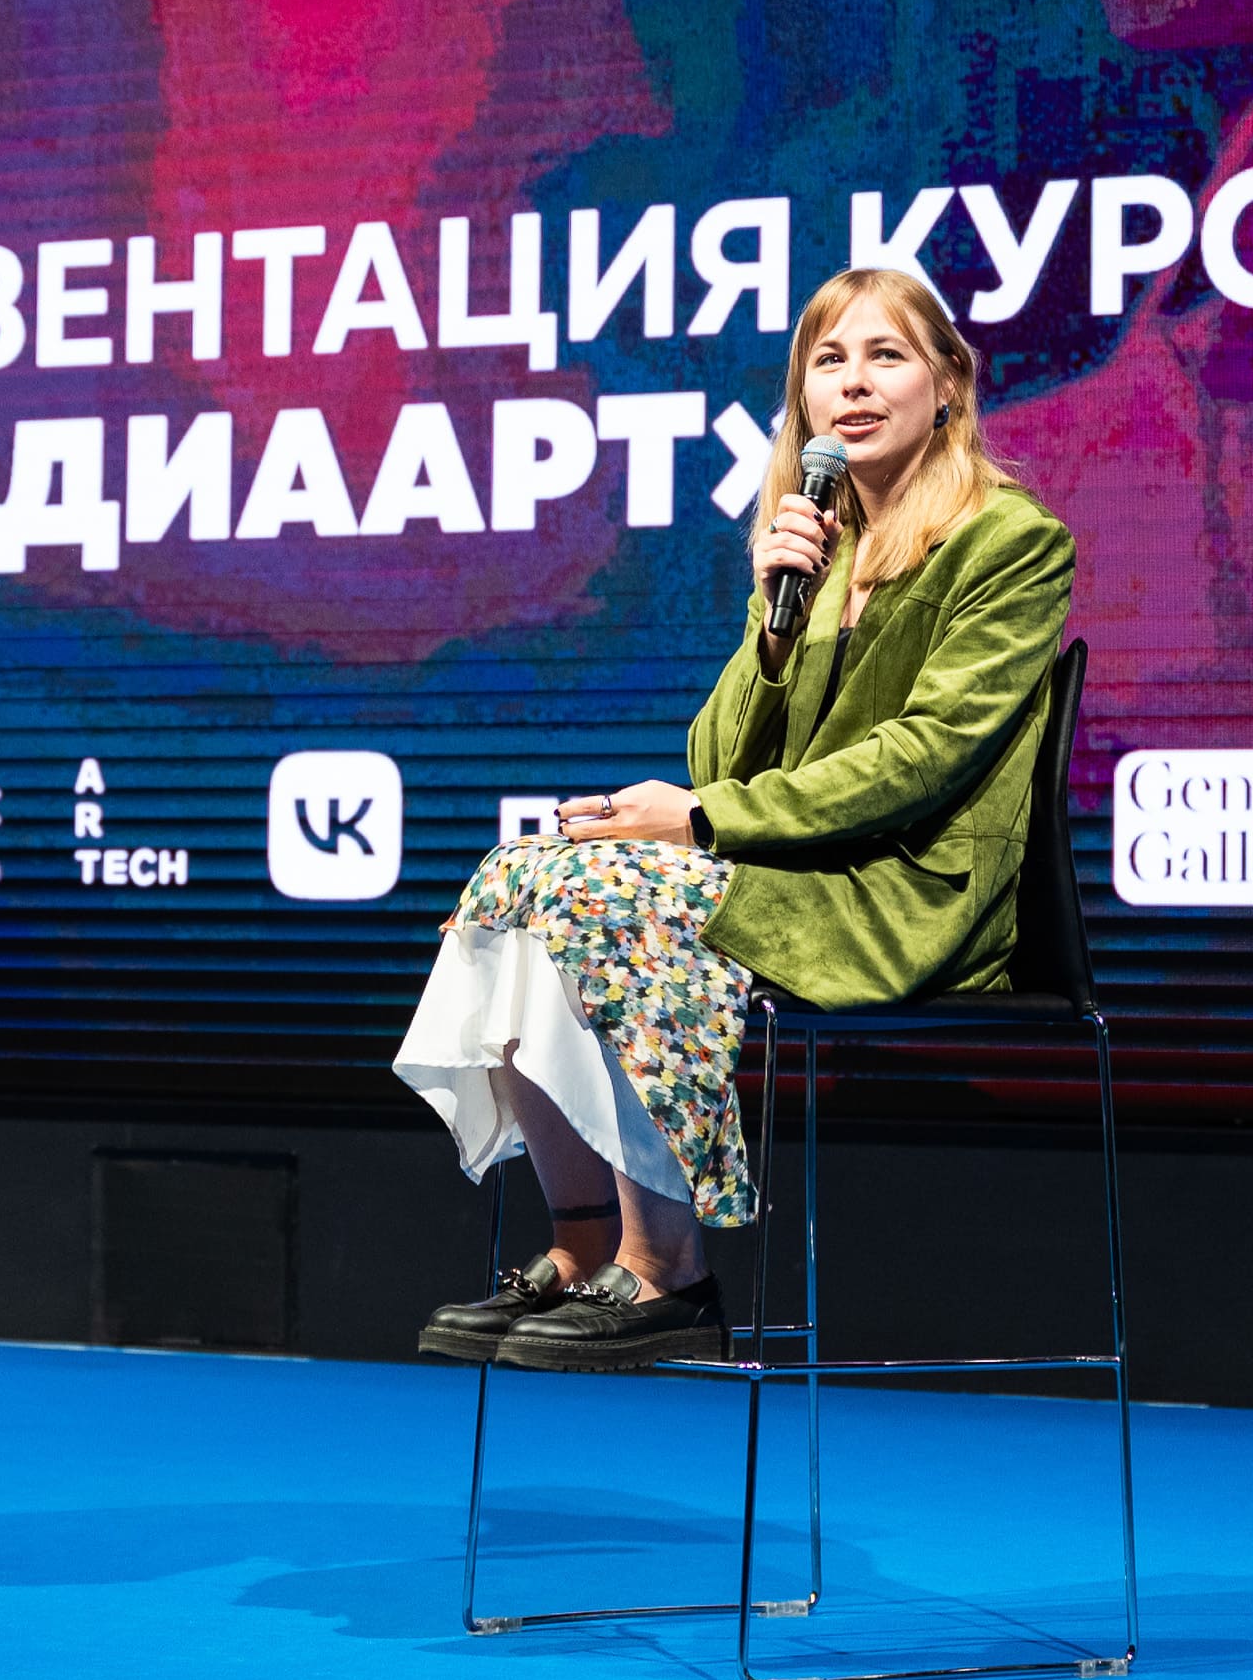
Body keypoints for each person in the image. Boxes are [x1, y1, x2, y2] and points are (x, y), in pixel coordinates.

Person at [395, 268, 1076, 1371]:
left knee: (607, 893)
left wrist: (699, 820)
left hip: (907, 897)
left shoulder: (1010, 541)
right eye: (829, 361)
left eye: (887, 356)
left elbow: (925, 759)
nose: (854, 384)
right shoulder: (821, 543)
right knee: (523, 877)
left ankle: (669, 1270)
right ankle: (582, 1243)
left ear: (949, 382)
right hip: (798, 874)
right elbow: (717, 760)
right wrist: (774, 623)